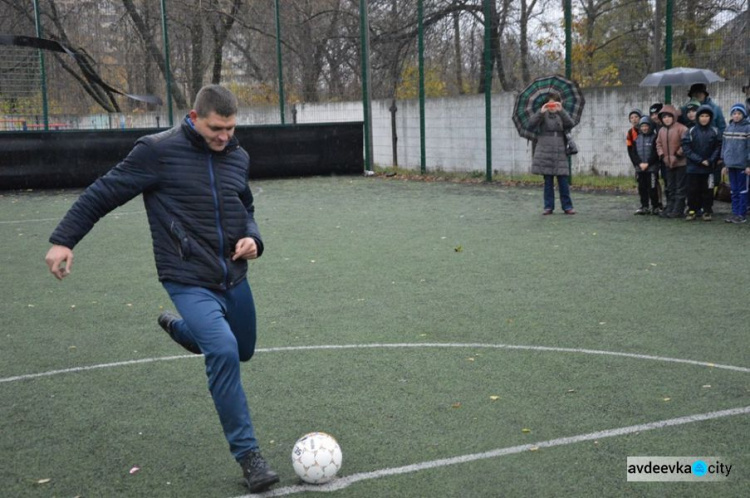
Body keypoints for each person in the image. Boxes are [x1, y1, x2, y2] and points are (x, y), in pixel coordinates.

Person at [44, 85, 280, 493]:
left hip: (233, 274)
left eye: (230, 127)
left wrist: (254, 240)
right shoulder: (157, 151)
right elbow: (104, 192)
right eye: (216, 128)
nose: (225, 136)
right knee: (223, 350)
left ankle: (185, 331)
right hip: (186, 277)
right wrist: (65, 239)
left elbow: (245, 207)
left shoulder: (237, 156)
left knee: (242, 349)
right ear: (194, 116)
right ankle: (249, 457)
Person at [529, 92, 576, 215]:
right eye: (549, 103)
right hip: (545, 150)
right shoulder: (542, 115)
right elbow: (531, 124)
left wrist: (561, 111)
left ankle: (567, 206)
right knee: (548, 180)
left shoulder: (562, 113)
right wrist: (541, 111)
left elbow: (570, 124)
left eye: (554, 103)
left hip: (560, 150)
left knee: (563, 180)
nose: (552, 106)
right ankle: (548, 206)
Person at [682, 105, 722, 221]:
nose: (704, 118)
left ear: (710, 117)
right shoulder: (690, 131)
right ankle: (692, 210)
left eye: (707, 116)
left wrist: (710, 160)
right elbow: (686, 148)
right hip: (693, 168)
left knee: (708, 190)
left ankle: (707, 211)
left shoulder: (715, 131)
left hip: (709, 168)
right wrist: (699, 160)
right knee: (692, 190)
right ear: (698, 117)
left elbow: (718, 147)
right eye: (702, 116)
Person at [655, 104, 689, 218]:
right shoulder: (661, 131)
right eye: (664, 117)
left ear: (673, 116)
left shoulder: (682, 128)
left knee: (680, 186)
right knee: (670, 186)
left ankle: (678, 209)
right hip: (667, 163)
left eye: (668, 117)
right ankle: (670, 207)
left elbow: (686, 145)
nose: (666, 119)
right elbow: (658, 144)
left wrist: (677, 155)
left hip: (681, 163)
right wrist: (662, 155)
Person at [720, 103, 750, 223]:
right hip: (731, 165)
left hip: (743, 165)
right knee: (734, 190)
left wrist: (748, 164)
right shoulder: (728, 128)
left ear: (743, 114)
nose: (736, 116)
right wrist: (725, 164)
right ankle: (735, 212)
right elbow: (724, 146)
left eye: (739, 113)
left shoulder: (747, 128)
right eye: (734, 113)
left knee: (743, 190)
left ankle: (741, 214)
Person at [632, 116, 660, 214]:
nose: (644, 128)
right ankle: (644, 206)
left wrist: (648, 163)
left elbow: (655, 153)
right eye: (642, 126)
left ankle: (655, 206)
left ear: (650, 126)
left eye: (646, 126)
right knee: (642, 188)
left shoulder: (655, 138)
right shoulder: (636, 139)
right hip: (640, 169)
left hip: (651, 169)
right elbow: (634, 154)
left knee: (652, 188)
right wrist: (639, 164)